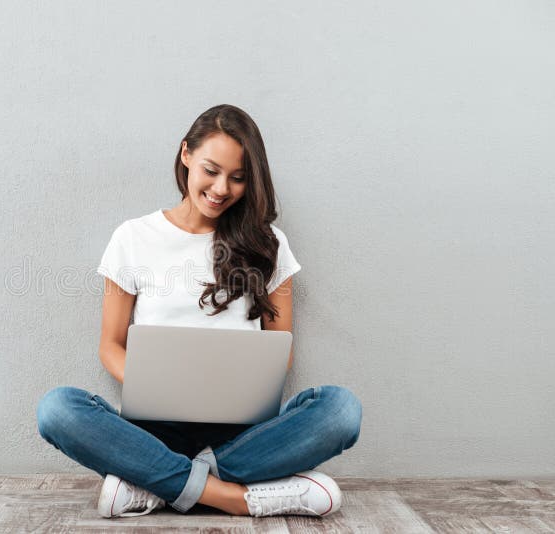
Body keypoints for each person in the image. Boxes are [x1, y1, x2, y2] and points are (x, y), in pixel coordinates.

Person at [37, 104, 362, 518]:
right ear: (185, 154)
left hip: (243, 434)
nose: (221, 188)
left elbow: (282, 350)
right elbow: (110, 346)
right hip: (153, 431)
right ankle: (236, 497)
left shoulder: (269, 243)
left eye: (238, 178)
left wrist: (243, 391)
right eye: (211, 170)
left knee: (341, 410)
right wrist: (157, 385)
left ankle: (155, 486)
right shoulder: (134, 237)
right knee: (57, 409)